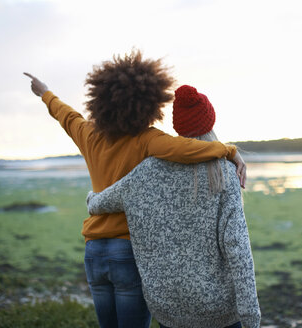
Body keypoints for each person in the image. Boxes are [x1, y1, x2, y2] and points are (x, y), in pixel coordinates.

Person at [23, 50, 247, 328]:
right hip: (127, 251)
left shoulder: (89, 134)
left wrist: (44, 92)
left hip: (93, 250)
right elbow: (186, 148)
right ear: (149, 103)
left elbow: (66, 115)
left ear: (101, 101)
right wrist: (229, 150)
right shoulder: (147, 139)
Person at [86, 85, 261, 328]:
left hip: (169, 310)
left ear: (178, 128)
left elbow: (97, 204)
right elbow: (237, 246)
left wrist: (90, 197)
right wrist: (251, 317)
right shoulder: (225, 173)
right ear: (210, 122)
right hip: (220, 310)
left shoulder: (146, 172)